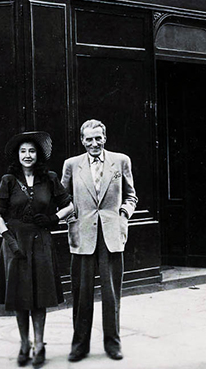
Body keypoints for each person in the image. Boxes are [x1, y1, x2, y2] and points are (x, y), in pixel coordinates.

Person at [0, 131, 74, 368]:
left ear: (38, 155)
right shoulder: (7, 180)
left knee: (39, 297)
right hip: (15, 244)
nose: (27, 155)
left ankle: (39, 345)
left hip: (41, 241)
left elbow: (69, 205)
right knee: (20, 298)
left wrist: (53, 218)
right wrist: (9, 239)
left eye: (31, 151)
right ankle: (24, 344)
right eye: (23, 151)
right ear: (17, 155)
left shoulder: (49, 178)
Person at [61, 119, 137, 362]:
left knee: (111, 293)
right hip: (82, 236)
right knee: (81, 294)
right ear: (82, 141)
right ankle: (79, 346)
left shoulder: (121, 161)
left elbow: (131, 196)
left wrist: (124, 213)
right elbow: (63, 199)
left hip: (111, 235)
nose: (94, 143)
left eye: (98, 138)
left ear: (105, 138)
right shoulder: (71, 165)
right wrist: (72, 219)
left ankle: (113, 344)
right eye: (89, 139)